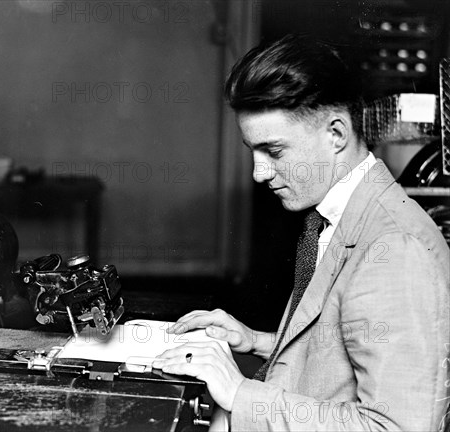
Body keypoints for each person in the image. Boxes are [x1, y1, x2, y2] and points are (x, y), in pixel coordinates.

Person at [152, 34, 450, 431]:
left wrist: (241, 395)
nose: (259, 172)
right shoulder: (335, 215)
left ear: (336, 135)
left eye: (274, 152)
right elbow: (344, 356)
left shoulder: (395, 248)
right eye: (252, 151)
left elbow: (398, 427)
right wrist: (257, 341)